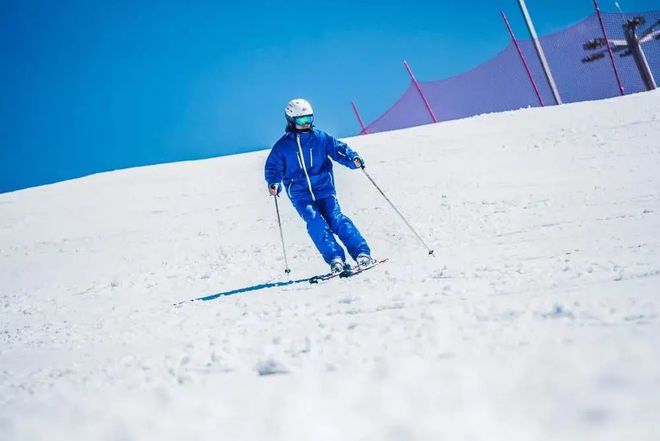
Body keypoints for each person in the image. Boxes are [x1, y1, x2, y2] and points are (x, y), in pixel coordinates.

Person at [265, 98, 374, 274]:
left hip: (324, 188)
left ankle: (362, 253)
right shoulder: (282, 147)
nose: (306, 123)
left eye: (309, 119)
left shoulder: (320, 138)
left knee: (336, 219)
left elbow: (338, 149)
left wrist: (353, 159)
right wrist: (273, 182)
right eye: (301, 120)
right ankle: (335, 258)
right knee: (315, 222)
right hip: (300, 194)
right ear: (291, 121)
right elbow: (273, 167)